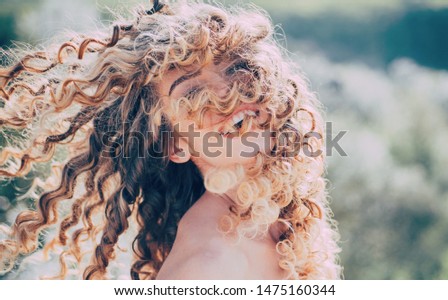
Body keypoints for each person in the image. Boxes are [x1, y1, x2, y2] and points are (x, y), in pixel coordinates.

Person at [0, 0, 341, 279]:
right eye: (192, 93)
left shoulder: (286, 213)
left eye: (235, 68)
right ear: (173, 145)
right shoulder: (207, 265)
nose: (227, 93)